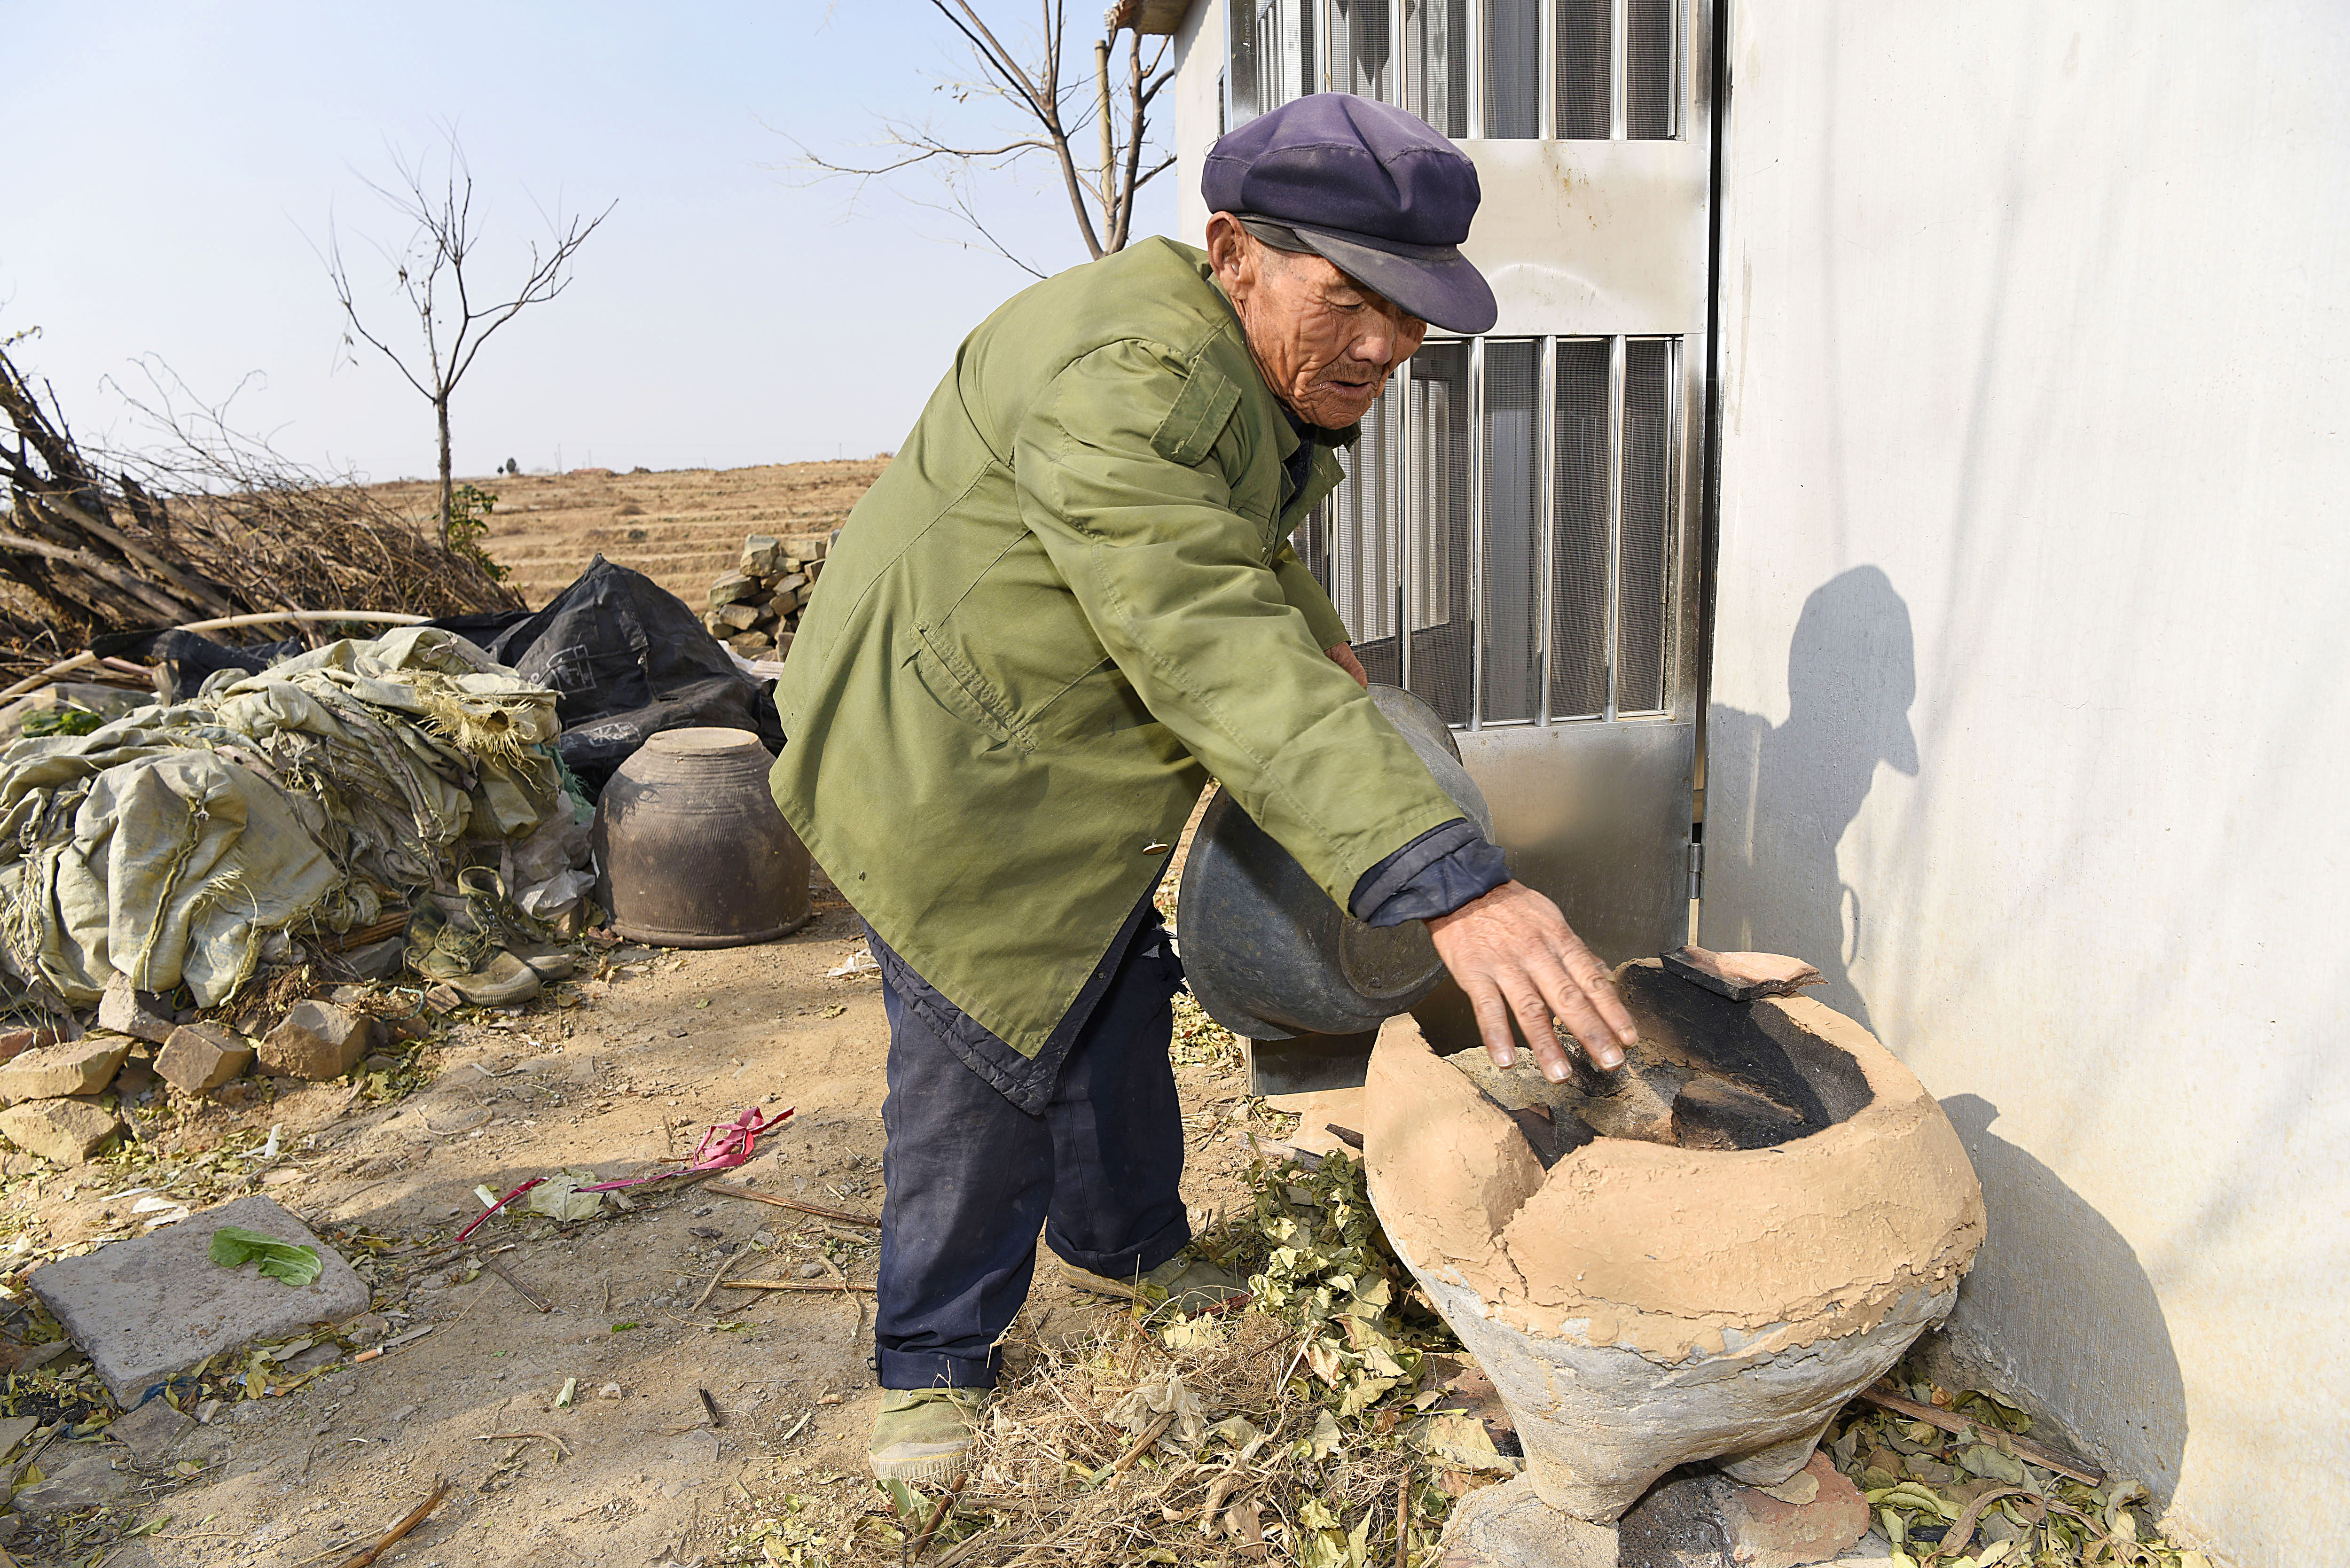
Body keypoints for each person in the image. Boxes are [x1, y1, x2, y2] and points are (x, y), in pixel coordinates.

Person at [767, 93, 1638, 1486]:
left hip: (1060, 749)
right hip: (942, 754)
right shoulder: (1128, 376)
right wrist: (1446, 877)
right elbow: (1197, 622)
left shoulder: (1226, 361)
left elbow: (1235, 537)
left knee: (1111, 996)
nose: (1386, 346)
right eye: (1354, 298)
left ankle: (1127, 1249)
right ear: (1234, 250)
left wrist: (1319, 630)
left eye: (1412, 314)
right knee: (981, 1052)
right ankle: (932, 1359)